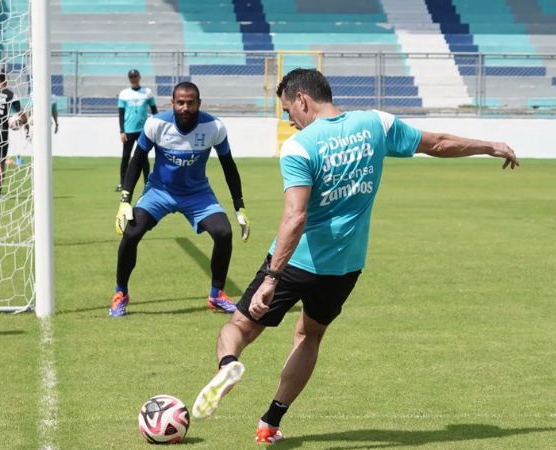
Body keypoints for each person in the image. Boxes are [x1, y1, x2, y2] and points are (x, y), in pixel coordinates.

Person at [190, 68, 520, 443]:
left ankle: (229, 366)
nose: (289, 121)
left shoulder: (300, 147)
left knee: (238, 328)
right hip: (344, 268)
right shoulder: (376, 124)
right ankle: (270, 422)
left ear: (303, 100)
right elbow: (439, 142)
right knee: (310, 336)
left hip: (296, 262)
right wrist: (490, 146)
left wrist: (271, 278)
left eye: (287, 111)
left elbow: (295, 217)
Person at [111, 81, 251, 318]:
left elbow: (229, 166)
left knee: (223, 233)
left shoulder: (214, 127)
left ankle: (216, 294)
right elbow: (137, 160)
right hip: (159, 191)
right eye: (180, 103)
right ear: (172, 103)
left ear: (199, 103)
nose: (185, 107)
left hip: (197, 194)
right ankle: (120, 293)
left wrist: (240, 206)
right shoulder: (157, 124)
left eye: (190, 102)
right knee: (132, 233)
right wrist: (125, 199)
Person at [116, 69, 156, 192]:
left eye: (135, 76)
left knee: (143, 157)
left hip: (143, 130)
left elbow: (154, 111)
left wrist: (156, 126)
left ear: (139, 77)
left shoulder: (147, 92)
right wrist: (122, 131)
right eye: (131, 77)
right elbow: (121, 114)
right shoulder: (124, 94)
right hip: (128, 130)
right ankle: (122, 183)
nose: (133, 78)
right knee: (126, 157)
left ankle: (147, 182)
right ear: (129, 78)